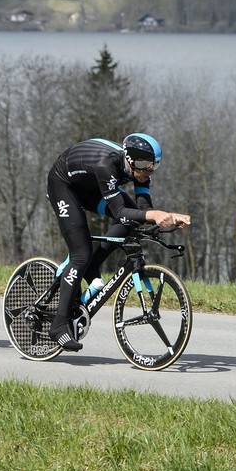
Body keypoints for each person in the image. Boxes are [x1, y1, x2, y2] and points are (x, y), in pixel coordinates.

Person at [46, 133, 190, 351]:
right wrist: (154, 215)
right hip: (64, 186)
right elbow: (121, 212)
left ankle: (92, 267)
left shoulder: (141, 170)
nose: (149, 172)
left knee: (132, 222)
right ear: (130, 160)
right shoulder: (107, 165)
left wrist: (168, 216)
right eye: (145, 167)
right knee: (80, 254)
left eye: (154, 167)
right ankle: (58, 325)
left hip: (92, 187)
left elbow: (143, 211)